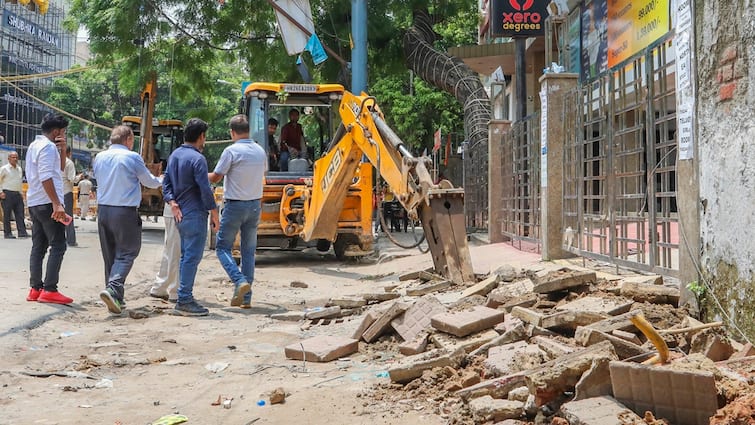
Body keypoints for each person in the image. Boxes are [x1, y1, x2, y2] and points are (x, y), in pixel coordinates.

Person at [93, 125, 163, 314]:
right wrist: (163, 180)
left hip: (104, 210)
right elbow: (148, 181)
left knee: (110, 254)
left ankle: (116, 296)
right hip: (124, 211)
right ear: (129, 140)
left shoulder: (99, 157)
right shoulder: (132, 157)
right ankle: (114, 288)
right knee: (128, 251)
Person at [163, 118, 219, 316]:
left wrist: (172, 202)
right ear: (201, 136)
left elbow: (166, 183)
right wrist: (214, 213)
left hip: (180, 213)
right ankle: (184, 299)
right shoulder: (198, 159)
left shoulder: (175, 155)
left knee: (185, 256)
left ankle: (183, 296)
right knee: (191, 257)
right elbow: (205, 189)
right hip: (194, 212)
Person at [209, 114, 266, 308]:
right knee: (248, 252)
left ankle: (239, 280)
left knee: (223, 248)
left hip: (235, 205)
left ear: (232, 132)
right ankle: (246, 299)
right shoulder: (260, 151)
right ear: (248, 130)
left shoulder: (231, 151)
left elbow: (216, 177)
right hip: (254, 205)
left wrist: (198, 173)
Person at [25, 114, 73, 305]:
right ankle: (50, 289)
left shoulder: (36, 145)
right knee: (59, 244)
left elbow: (58, 170)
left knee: (39, 247)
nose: (64, 135)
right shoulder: (47, 147)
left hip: (35, 201)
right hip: (47, 202)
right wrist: (57, 203)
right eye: (63, 132)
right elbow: (46, 176)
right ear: (56, 132)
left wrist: (62, 149)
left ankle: (35, 288)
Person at [148, 201, 179, 302]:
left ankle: (160, 287)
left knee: (170, 251)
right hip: (178, 210)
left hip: (174, 210)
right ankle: (174, 291)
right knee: (175, 252)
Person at [0, 151, 29, 239]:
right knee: (7, 214)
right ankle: (7, 233)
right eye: (13, 157)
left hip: (17, 193)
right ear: (9, 159)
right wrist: (0, 192)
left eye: (16, 157)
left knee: (20, 213)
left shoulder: (19, 169)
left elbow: (18, 182)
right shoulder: (4, 169)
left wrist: (21, 193)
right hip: (7, 193)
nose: (15, 159)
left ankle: (22, 232)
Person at [63, 146, 77, 246]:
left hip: (56, 193)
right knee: (68, 217)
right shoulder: (69, 162)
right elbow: (72, 179)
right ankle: (71, 240)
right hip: (66, 192)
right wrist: (79, 177)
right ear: (69, 153)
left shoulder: (55, 161)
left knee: (57, 217)